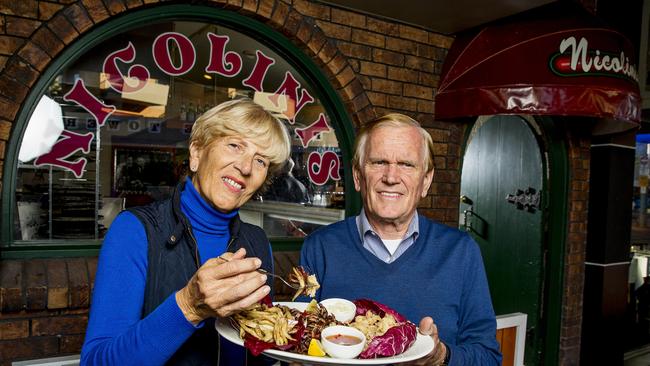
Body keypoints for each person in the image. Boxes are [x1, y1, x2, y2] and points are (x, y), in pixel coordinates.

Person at [82, 98, 291, 365]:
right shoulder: (135, 230)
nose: (246, 167)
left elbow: (260, 352)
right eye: (235, 145)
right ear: (196, 153)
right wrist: (189, 306)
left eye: (260, 160)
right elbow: (96, 362)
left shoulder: (257, 241)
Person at [300, 114, 502, 365]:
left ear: (425, 181)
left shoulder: (460, 252)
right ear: (357, 176)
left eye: (406, 164)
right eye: (379, 162)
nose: (391, 177)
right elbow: (298, 346)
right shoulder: (319, 248)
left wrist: (441, 357)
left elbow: (488, 357)